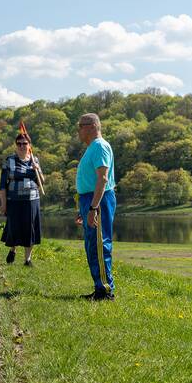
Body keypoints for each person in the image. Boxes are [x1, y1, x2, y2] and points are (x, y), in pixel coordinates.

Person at [75, 113, 116, 300]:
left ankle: (105, 290)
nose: (78, 130)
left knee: (100, 245)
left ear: (92, 126)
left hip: (98, 201)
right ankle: (99, 288)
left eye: (80, 126)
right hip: (90, 201)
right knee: (92, 245)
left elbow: (103, 178)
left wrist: (93, 208)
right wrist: (83, 209)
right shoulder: (92, 147)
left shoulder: (100, 146)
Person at [0, 133, 44, 266]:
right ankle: (13, 250)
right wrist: (3, 204)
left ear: (29, 145)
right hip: (14, 200)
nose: (22, 146)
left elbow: (41, 181)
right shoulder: (10, 160)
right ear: (16, 145)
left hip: (32, 200)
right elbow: (2, 185)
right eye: (19, 143)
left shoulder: (34, 160)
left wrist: (38, 171)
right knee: (14, 228)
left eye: (24, 143)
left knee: (30, 228)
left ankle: (27, 259)